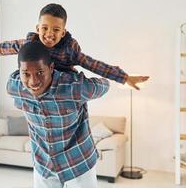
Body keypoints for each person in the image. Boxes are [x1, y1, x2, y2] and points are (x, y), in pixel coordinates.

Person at [0, 3, 149, 90]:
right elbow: (8, 46)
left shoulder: (70, 50)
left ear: (63, 32)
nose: (49, 33)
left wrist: (124, 77)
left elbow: (94, 64)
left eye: (56, 30)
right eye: (45, 28)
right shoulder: (31, 44)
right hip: (42, 83)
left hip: (63, 83)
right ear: (37, 28)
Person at [6, 41, 110, 188]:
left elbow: (105, 84)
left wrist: (74, 74)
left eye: (40, 73)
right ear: (19, 72)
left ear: (51, 68)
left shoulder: (74, 88)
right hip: (44, 165)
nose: (33, 81)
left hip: (78, 163)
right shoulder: (14, 86)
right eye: (26, 74)